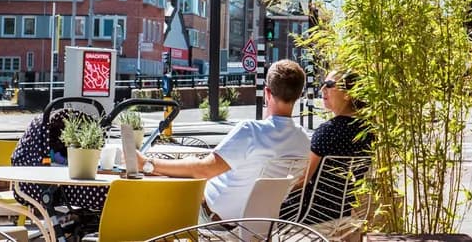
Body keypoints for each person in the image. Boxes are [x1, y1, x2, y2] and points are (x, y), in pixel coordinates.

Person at [136, 59, 310, 221]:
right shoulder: (303, 141)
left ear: (267, 93)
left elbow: (203, 171)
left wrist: (147, 164)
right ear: (299, 94)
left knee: (161, 196)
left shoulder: (251, 132)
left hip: (213, 220)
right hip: (261, 224)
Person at [282, 69, 372, 222]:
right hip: (346, 210)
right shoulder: (369, 130)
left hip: (313, 213)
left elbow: (303, 180)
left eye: (329, 85)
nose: (322, 89)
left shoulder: (328, 131)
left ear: (347, 94)